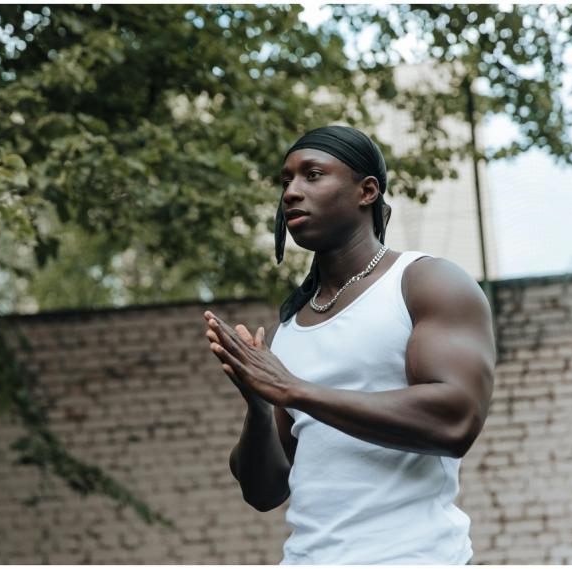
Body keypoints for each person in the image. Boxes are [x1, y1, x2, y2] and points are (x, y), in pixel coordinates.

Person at [202, 125, 495, 564]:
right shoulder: (292, 327)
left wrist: (295, 390)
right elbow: (264, 492)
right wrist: (260, 405)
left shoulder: (424, 282)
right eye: (286, 181)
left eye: (312, 175)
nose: (291, 193)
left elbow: (455, 421)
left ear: (367, 191)